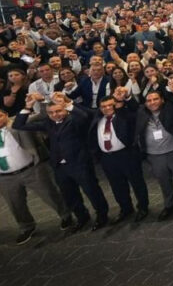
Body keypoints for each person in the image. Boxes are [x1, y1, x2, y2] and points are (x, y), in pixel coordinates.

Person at [0, 106, 74, 245]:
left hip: (31, 170)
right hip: (3, 177)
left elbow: (42, 114)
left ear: (6, 116)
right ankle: (26, 226)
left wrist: (35, 102)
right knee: (15, 204)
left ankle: (65, 215)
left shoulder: (17, 123)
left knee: (51, 194)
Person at [13, 92, 110, 231]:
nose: (55, 115)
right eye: (51, 113)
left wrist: (67, 104)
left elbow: (83, 117)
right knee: (69, 194)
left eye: (59, 111)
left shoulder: (75, 120)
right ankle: (82, 217)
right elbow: (19, 125)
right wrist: (28, 107)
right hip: (59, 166)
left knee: (92, 191)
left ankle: (102, 215)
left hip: (79, 163)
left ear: (65, 109)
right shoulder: (48, 123)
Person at [136, 90, 173, 220]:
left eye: (155, 99)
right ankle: (169, 205)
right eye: (149, 100)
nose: (152, 102)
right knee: (163, 181)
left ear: (162, 100)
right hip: (154, 155)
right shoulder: (141, 113)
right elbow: (130, 107)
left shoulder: (170, 109)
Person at [92, 91, 149, 224]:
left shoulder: (124, 116)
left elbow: (136, 109)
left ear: (116, 105)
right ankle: (125, 208)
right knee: (117, 186)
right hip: (107, 158)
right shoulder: (98, 119)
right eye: (103, 106)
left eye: (110, 105)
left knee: (136, 183)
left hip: (126, 155)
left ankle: (143, 208)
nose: (107, 108)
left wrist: (125, 100)